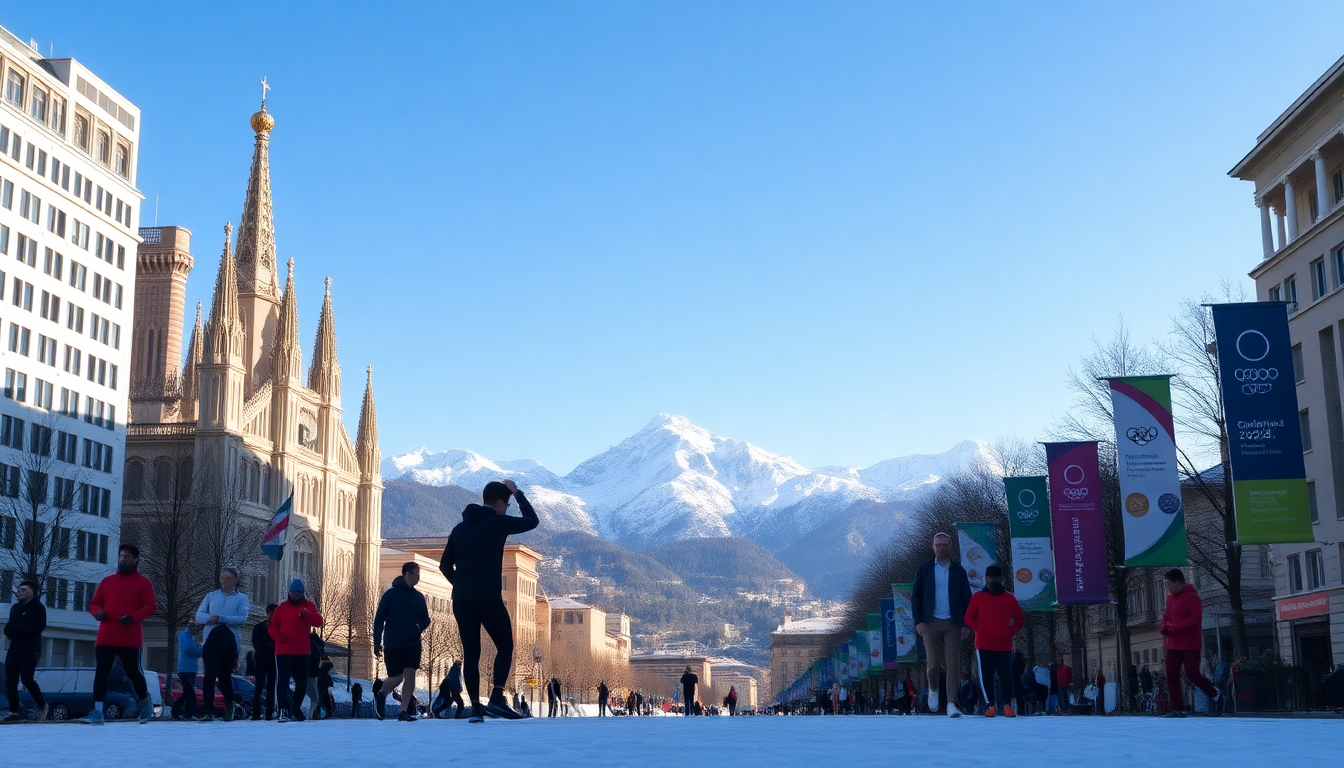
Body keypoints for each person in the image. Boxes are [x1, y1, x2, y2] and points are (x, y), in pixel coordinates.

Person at [440, 479, 538, 722]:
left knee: (471, 653)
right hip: (488, 596)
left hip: (462, 599)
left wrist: (461, 584)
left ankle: (475, 707)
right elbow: (532, 521)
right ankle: (496, 697)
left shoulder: (459, 529)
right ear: (501, 502)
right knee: (505, 645)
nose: (506, 510)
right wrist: (518, 493)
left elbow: (444, 565)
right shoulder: (497, 521)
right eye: (506, 504)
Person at [82, 545, 156, 725]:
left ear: (136, 560)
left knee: (133, 672)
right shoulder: (108, 582)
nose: (123, 559)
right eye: (121, 556)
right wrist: (97, 613)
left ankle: (145, 701)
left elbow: (151, 606)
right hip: (107, 635)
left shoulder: (143, 583)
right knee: (101, 672)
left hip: (129, 637)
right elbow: (95, 603)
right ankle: (98, 711)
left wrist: (133, 617)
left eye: (127, 557)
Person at [911, 532, 973, 717]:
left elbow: (966, 598)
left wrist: (965, 623)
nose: (941, 548)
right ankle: (933, 688)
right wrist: (918, 621)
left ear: (950, 547)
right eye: (938, 545)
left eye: (944, 544)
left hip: (953, 623)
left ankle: (952, 703)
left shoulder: (958, 570)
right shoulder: (924, 569)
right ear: (933, 547)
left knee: (953, 663)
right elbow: (915, 596)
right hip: (930, 623)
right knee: (934, 663)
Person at [372, 561, 431, 722]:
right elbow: (379, 620)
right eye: (415, 574)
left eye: (419, 574)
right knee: (397, 678)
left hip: (412, 643)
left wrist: (419, 627)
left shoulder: (418, 597)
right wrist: (376, 642)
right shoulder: (390, 595)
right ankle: (381, 693)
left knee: (410, 674)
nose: (418, 577)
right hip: (393, 643)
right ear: (406, 574)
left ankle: (403, 711)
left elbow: (426, 619)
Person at [964, 564, 1025, 718]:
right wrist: (979, 628)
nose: (995, 581)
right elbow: (968, 617)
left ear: (1001, 579)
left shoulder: (1009, 598)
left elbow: (1020, 619)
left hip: (1004, 644)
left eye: (997, 579)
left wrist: (1010, 631)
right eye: (992, 579)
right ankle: (990, 705)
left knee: (1006, 675)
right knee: (986, 676)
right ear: (987, 579)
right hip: (984, 643)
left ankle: (1007, 705)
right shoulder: (978, 597)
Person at [1159, 568, 1219, 718]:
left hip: (1190, 643)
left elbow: (1195, 619)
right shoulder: (1170, 599)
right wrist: (1164, 627)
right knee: (1171, 675)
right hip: (1172, 643)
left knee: (1192, 674)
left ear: (1178, 582)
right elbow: (1166, 617)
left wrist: (1175, 627)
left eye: (1169, 584)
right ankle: (1178, 708)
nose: (1168, 587)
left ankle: (1215, 693)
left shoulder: (1193, 597)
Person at [194, 566, 249, 722]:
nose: (224, 581)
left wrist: (223, 618)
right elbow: (199, 615)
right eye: (222, 578)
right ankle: (207, 711)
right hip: (211, 640)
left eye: (228, 579)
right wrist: (210, 618)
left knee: (224, 677)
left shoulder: (241, 598)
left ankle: (229, 705)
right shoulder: (211, 596)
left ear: (236, 580)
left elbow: (242, 618)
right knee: (209, 676)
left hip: (229, 640)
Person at [269, 578, 323, 722]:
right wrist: (279, 637)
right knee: (283, 681)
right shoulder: (282, 608)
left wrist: (306, 614)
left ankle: (294, 707)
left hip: (302, 651)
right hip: (283, 651)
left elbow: (318, 621)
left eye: (299, 593)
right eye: (293, 592)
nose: (296, 595)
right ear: (289, 593)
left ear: (303, 594)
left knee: (302, 683)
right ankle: (284, 710)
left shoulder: (309, 606)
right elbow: (272, 627)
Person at [3, 580, 48, 722]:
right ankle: (14, 712)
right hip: (15, 647)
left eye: (23, 590)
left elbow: (39, 627)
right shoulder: (15, 608)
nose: (20, 592)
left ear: (31, 592)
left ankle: (42, 704)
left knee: (27, 679)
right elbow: (11, 626)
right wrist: (8, 631)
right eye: (19, 589)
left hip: (30, 648)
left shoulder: (38, 607)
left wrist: (19, 629)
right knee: (10, 680)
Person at [251, 604, 278, 720]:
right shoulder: (259, 628)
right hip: (262, 660)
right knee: (260, 686)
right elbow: (256, 644)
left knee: (270, 687)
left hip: (272, 660)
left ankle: (269, 712)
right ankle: (257, 713)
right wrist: (270, 647)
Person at [172, 622, 203, 721]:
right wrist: (199, 652)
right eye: (194, 627)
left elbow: (197, 650)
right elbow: (187, 649)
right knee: (190, 692)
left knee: (187, 692)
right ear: (190, 627)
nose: (196, 629)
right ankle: (188, 713)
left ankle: (177, 712)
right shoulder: (184, 636)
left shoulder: (192, 638)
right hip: (185, 669)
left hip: (191, 668)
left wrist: (199, 651)